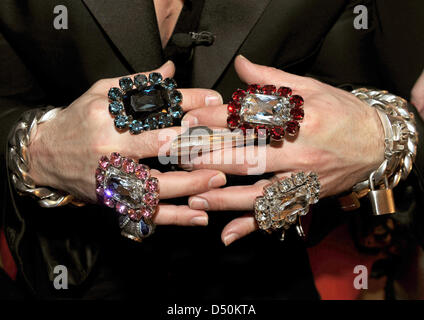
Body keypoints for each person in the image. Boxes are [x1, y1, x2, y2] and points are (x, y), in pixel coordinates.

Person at [0, 0, 423, 300]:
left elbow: (398, 84)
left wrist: (383, 137)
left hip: (266, 266)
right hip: (73, 260)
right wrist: (34, 150)